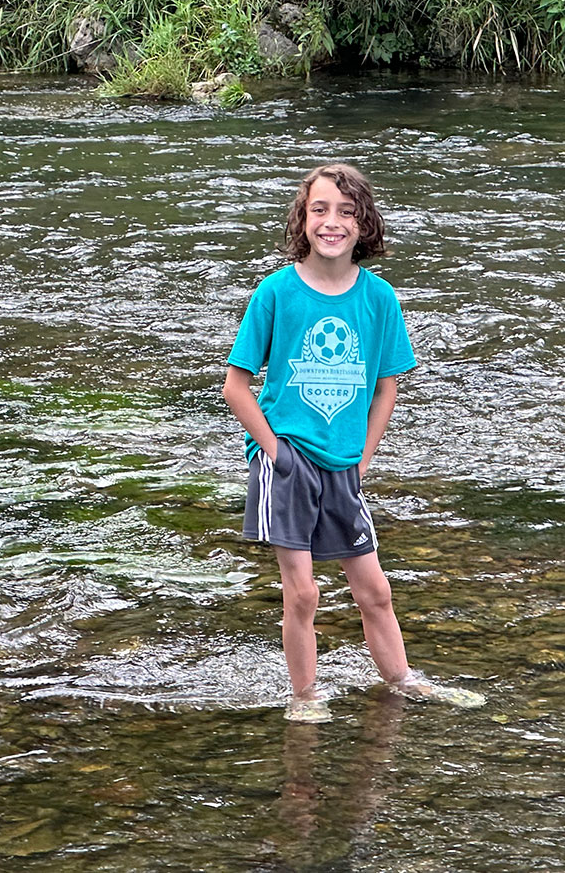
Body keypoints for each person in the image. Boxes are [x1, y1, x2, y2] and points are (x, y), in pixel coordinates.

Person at [221, 163, 486, 722]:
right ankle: (304, 696)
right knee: (304, 594)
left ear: (364, 224)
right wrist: (275, 452)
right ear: (303, 218)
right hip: (287, 461)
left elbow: (387, 388)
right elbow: (236, 388)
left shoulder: (379, 299)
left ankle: (403, 680)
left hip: (345, 466)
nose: (331, 223)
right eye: (320, 210)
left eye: (345, 212)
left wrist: (363, 459)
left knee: (376, 591)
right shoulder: (276, 292)